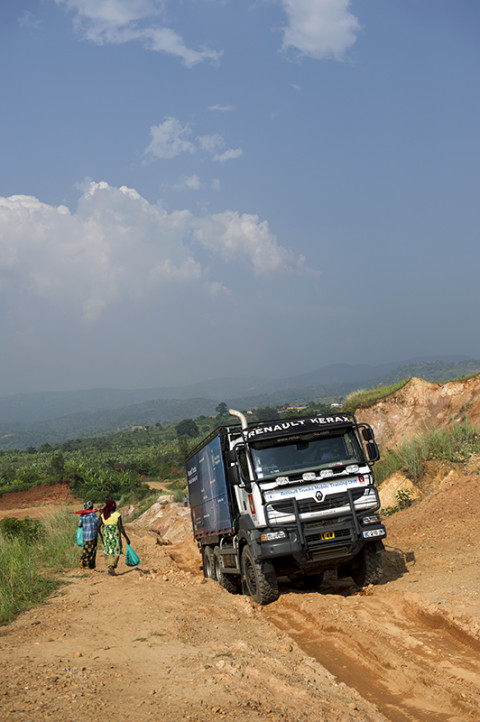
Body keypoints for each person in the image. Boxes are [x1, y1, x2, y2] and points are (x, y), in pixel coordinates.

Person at [97, 499, 130, 576]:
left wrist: (101, 536)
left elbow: (97, 527)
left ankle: (110, 566)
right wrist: (126, 538)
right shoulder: (117, 515)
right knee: (116, 551)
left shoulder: (103, 516)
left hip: (106, 536)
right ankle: (112, 567)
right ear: (114, 507)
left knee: (108, 550)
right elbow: (121, 528)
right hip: (115, 537)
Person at [78, 500, 98, 570]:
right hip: (93, 535)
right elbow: (97, 522)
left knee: (86, 549)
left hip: (85, 536)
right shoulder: (93, 514)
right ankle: (87, 564)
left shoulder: (82, 515)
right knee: (92, 550)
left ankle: (86, 563)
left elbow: (79, 525)